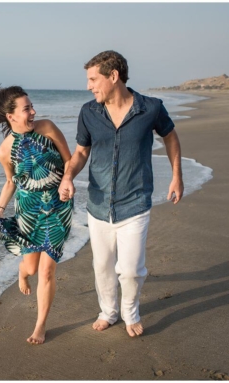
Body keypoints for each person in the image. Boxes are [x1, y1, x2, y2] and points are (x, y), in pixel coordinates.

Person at [60, 50, 184, 337]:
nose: (89, 86)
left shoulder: (150, 108)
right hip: (99, 204)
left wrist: (177, 175)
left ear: (113, 76)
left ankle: (130, 312)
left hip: (136, 202)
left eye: (93, 79)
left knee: (130, 271)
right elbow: (81, 152)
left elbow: (170, 136)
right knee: (102, 267)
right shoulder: (88, 112)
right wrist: (68, 176)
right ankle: (108, 312)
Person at [0, 84, 73, 344]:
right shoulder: (4, 151)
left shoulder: (47, 128)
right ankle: (22, 272)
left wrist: (68, 180)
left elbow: (69, 160)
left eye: (32, 106)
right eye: (27, 109)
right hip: (28, 211)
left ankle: (40, 325)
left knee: (47, 271)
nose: (33, 112)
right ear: (11, 116)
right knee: (33, 269)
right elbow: (11, 182)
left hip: (58, 206)